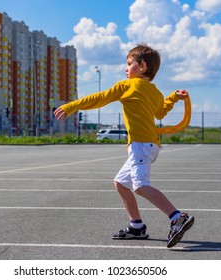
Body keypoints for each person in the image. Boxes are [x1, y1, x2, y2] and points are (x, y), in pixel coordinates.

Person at [54, 43, 194, 248]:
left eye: (129, 64)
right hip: (150, 145)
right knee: (121, 183)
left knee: (140, 186)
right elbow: (161, 113)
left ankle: (177, 217)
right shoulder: (154, 92)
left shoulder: (126, 86)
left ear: (142, 66)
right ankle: (136, 226)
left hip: (140, 145)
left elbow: (99, 98)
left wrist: (72, 106)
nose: (125, 68)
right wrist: (173, 97)